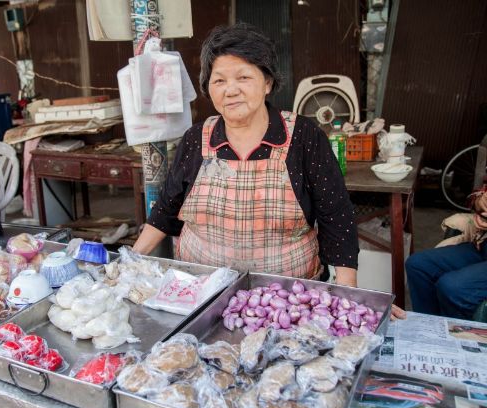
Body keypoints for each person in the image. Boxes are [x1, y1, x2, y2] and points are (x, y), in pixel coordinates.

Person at [133, 24, 361, 286]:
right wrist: (130, 263)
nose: (230, 90)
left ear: (267, 82)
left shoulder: (303, 137)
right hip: (202, 291)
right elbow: (165, 211)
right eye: (219, 80)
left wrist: (349, 295)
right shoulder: (197, 139)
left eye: (243, 77)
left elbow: (337, 217)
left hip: (289, 297)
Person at [406, 186, 487, 319]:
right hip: (482, 245)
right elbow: (475, 195)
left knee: (452, 287)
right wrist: (480, 201)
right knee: (418, 264)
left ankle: (456, 336)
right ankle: (429, 330)